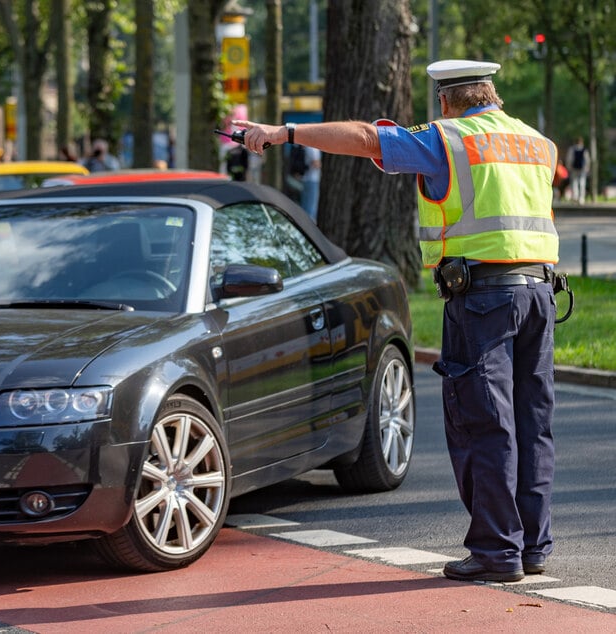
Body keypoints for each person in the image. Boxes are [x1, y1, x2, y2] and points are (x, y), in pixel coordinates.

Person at [233, 59, 559, 584]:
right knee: (532, 422)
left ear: (446, 101)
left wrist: (282, 133)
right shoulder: (537, 143)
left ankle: (499, 552)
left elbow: (365, 138)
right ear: (492, 94)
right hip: (540, 295)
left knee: (485, 423)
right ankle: (533, 546)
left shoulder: (448, 138)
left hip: (482, 301)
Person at [301, 145, 322, 221]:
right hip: (313, 179)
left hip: (306, 179)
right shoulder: (313, 148)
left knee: (306, 205)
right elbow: (315, 163)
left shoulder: (307, 146)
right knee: (311, 208)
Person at [565, 137, 590, 204]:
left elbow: (569, 159)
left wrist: (569, 167)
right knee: (582, 183)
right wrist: (587, 168)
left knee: (574, 183)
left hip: (574, 168)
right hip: (582, 169)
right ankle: (581, 198)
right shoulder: (584, 149)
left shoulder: (572, 149)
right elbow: (587, 160)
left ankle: (575, 197)